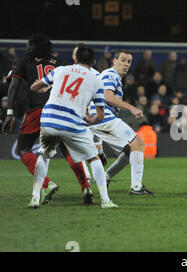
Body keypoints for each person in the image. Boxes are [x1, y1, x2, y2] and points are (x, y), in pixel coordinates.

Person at [1, 34, 93, 204]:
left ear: (33, 47)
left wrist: (9, 114)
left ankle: (47, 184)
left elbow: (13, 85)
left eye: (29, 46)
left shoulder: (25, 61)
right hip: (58, 112)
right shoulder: (58, 64)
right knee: (68, 151)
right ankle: (86, 186)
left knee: (24, 149)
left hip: (36, 112)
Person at [28, 44, 117, 209]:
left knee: (44, 156)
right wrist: (92, 120)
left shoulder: (61, 69)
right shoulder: (96, 80)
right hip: (72, 123)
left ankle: (35, 197)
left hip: (49, 120)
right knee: (93, 158)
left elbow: (35, 87)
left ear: (75, 58)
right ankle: (105, 200)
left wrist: (40, 88)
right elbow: (100, 114)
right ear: (94, 62)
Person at [88, 50, 154, 195]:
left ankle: (105, 177)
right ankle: (136, 187)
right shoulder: (111, 75)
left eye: (129, 62)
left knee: (129, 149)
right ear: (114, 61)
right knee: (138, 144)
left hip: (97, 119)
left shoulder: (113, 76)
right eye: (123, 60)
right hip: (103, 117)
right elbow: (107, 96)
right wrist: (131, 108)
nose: (126, 64)